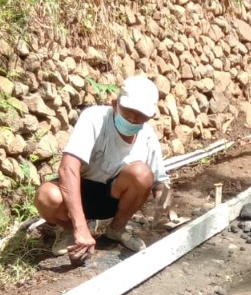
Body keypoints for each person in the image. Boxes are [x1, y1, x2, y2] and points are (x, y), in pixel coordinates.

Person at [34, 76, 169, 263]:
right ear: (115, 104)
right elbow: (68, 169)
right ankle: (72, 229)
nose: (132, 119)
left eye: (140, 116)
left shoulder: (147, 136)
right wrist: (80, 228)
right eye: (128, 112)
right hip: (78, 192)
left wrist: (165, 205)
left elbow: (159, 183)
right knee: (46, 196)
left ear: (150, 116)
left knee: (142, 173)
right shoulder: (95, 118)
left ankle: (116, 229)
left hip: (112, 197)